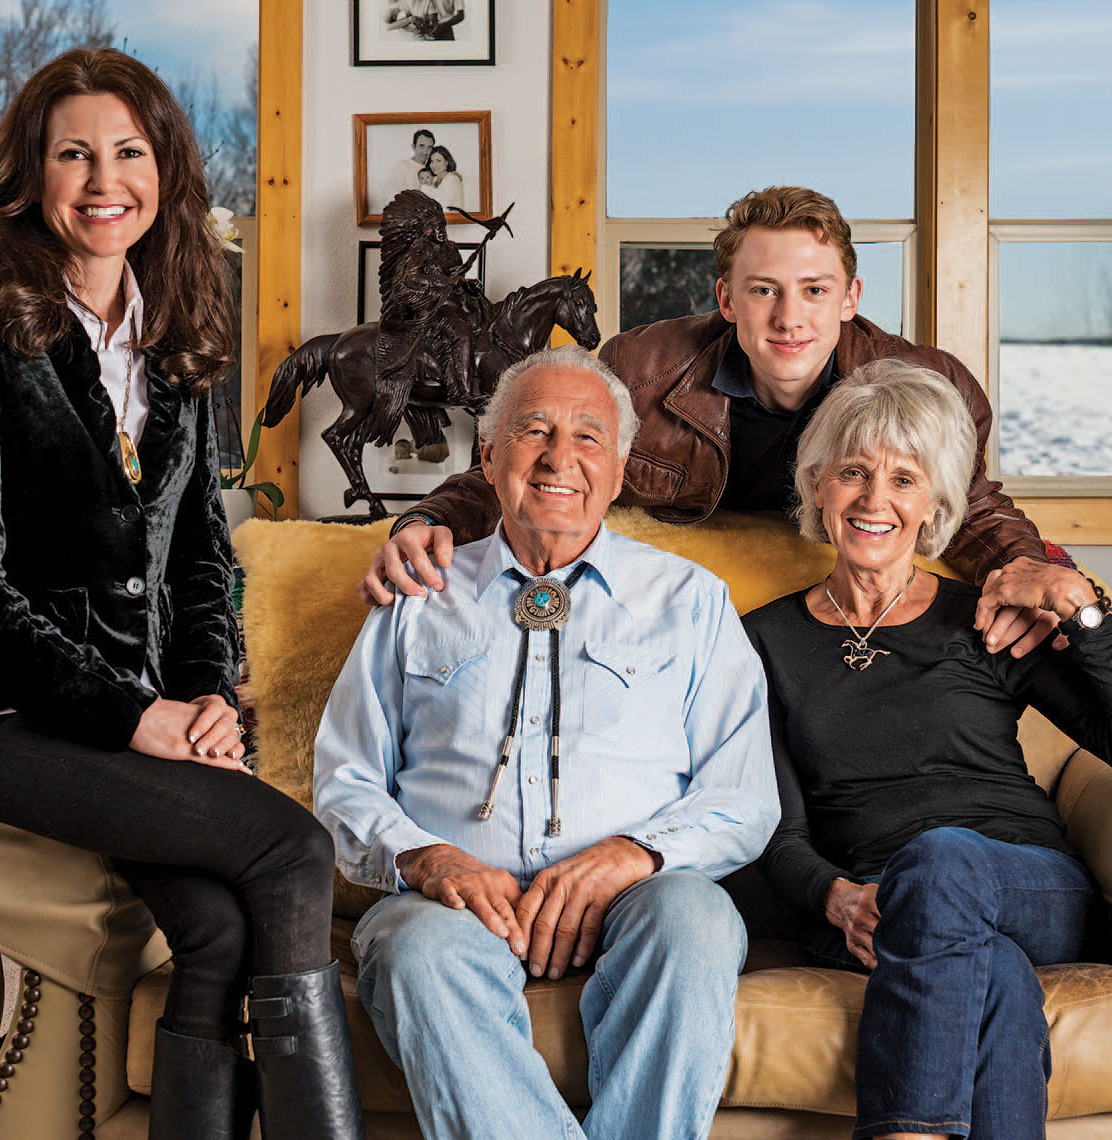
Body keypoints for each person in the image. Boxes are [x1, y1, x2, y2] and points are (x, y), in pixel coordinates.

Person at [0, 48, 360, 1140]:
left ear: (167, 173)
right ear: (28, 175)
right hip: (0, 721)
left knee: (214, 928)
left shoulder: (184, 335)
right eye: (73, 154)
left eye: (128, 152)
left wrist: (203, 697)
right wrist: (137, 717)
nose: (104, 180)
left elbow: (203, 553)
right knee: (293, 851)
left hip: (148, 718)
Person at [313, 346, 779, 1140]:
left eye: (589, 437)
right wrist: (425, 858)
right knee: (412, 952)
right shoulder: (417, 593)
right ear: (488, 457)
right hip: (446, 905)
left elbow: (742, 795)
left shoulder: (690, 601)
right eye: (533, 432)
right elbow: (345, 775)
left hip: (639, 898)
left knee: (695, 918)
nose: (561, 458)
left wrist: (635, 854)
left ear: (623, 464)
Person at [741, 359, 1112, 1140]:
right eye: (852, 472)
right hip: (865, 904)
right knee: (996, 981)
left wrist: (1081, 614)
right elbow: (769, 822)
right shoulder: (764, 640)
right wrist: (832, 895)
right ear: (818, 486)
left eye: (903, 479)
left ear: (935, 504)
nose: (874, 499)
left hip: (1021, 881)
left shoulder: (984, 619)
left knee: (943, 858)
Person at [358, 185, 1074, 658]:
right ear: (725, 299)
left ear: (849, 296)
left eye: (814, 291)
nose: (789, 318)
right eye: (762, 291)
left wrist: (1025, 568)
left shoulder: (928, 386)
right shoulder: (640, 367)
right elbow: (539, 462)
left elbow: (972, 506)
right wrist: (427, 521)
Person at [384, 128, 433, 209]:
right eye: (421, 146)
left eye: (429, 147)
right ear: (413, 147)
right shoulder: (402, 167)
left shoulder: (432, 168)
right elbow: (389, 195)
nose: (425, 151)